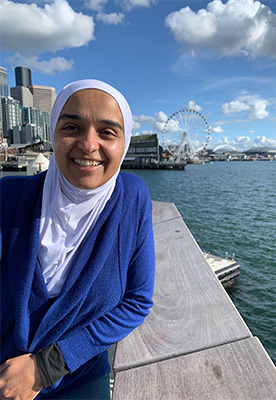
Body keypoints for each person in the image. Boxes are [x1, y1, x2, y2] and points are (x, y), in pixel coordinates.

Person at [0, 79, 155, 399]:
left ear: (124, 143)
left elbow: (137, 302)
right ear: (53, 133)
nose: (88, 144)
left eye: (107, 132)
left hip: (76, 374)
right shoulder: (8, 197)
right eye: (72, 127)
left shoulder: (132, 199)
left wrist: (46, 366)